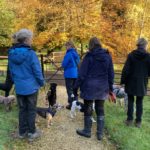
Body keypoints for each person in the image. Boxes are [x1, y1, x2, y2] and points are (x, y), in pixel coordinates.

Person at [8, 29, 45, 141]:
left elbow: (11, 72)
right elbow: (37, 71)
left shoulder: (11, 53)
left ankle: (22, 132)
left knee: (22, 109)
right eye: (31, 39)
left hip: (19, 87)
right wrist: (42, 83)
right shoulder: (31, 54)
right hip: (31, 87)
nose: (32, 41)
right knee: (31, 109)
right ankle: (32, 132)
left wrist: (17, 82)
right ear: (26, 40)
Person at [75, 37, 114, 140]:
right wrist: (110, 88)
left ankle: (87, 131)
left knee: (88, 107)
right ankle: (100, 134)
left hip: (89, 86)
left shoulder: (88, 57)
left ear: (91, 45)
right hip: (102, 86)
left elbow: (82, 74)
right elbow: (111, 74)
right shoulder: (107, 56)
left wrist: (76, 87)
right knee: (100, 108)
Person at [121, 38, 150, 128]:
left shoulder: (131, 55)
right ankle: (138, 122)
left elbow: (126, 70)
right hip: (142, 82)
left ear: (137, 45)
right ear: (145, 45)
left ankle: (129, 120)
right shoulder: (148, 56)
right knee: (139, 101)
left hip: (131, 81)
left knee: (130, 100)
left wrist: (123, 81)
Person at [61, 41, 80, 109]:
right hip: (76, 74)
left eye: (66, 46)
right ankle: (76, 103)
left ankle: (71, 104)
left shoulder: (68, 54)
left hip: (69, 74)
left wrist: (62, 66)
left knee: (70, 90)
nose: (66, 47)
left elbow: (64, 64)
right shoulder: (76, 53)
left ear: (70, 46)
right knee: (75, 89)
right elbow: (79, 63)